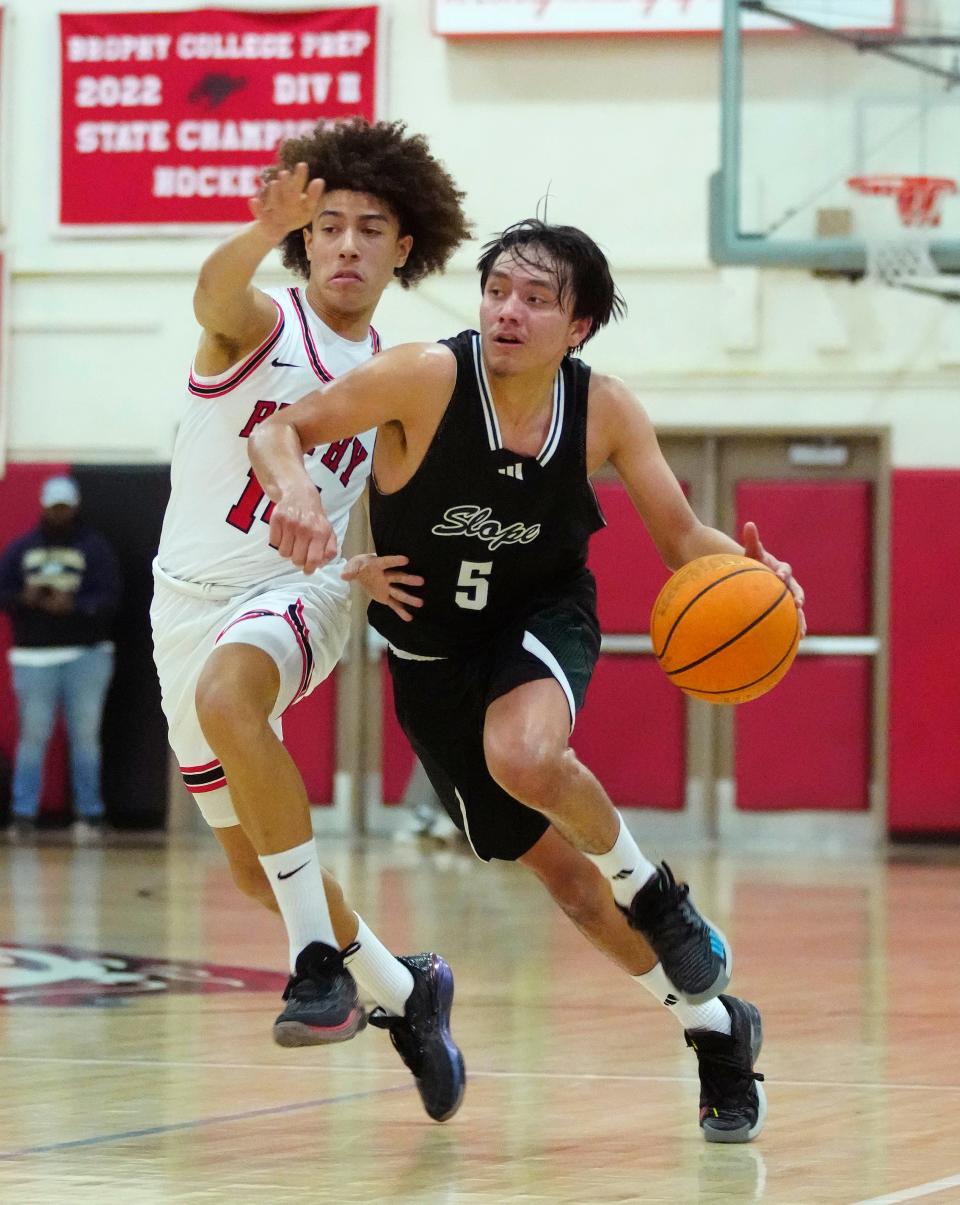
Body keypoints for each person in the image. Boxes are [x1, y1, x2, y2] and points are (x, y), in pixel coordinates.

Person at [249, 218, 808, 1144]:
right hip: (432, 661)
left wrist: (758, 580)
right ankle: (716, 1026)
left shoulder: (604, 410)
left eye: (537, 298)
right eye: (498, 289)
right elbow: (281, 429)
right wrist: (298, 491)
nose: (509, 310)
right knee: (574, 892)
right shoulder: (426, 377)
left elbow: (683, 539)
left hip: (540, 618)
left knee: (525, 751)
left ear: (577, 325)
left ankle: (660, 894)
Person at [150, 118, 471, 1122]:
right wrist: (256, 229)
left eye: (367, 228)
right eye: (327, 226)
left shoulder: (399, 374)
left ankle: (314, 969)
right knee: (253, 866)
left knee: (232, 692)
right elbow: (212, 294)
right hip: (185, 601)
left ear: (401, 246)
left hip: (307, 590)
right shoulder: (259, 325)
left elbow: (393, 496)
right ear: (304, 238)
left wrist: (366, 563)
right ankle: (406, 988)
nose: (344, 244)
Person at [0, 475, 121, 842]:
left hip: (86, 656)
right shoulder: (21, 549)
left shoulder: (95, 548)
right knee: (32, 737)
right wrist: (27, 598)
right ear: (43, 506)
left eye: (64, 507)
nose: (59, 513)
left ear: (75, 507)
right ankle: (23, 816)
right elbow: (3, 592)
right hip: (33, 658)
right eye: (54, 506)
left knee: (85, 738)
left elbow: (111, 597)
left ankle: (90, 814)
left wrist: (76, 606)